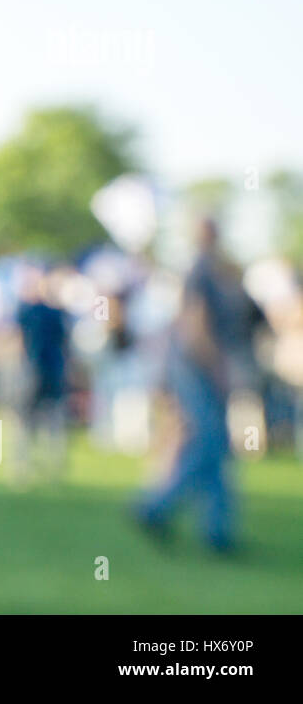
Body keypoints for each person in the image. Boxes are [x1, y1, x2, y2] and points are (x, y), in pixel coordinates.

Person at [136, 219, 256, 553]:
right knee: (209, 444)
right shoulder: (202, 271)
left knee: (213, 447)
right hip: (197, 369)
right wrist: (217, 368)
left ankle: (216, 529)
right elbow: (195, 328)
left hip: (197, 367)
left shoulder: (210, 269)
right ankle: (157, 506)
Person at [15, 265, 71, 477]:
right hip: (49, 367)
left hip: (35, 368)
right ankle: (52, 465)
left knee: (28, 419)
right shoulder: (53, 312)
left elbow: (19, 340)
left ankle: (24, 464)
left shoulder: (28, 311)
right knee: (51, 418)